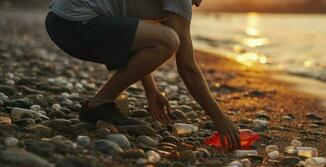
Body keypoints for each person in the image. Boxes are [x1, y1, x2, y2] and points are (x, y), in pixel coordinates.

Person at [45, 0, 240, 149]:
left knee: (163, 37)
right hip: (75, 24)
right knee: (169, 40)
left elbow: (138, 42)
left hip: (60, 22)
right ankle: (99, 104)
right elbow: (186, 66)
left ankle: (101, 102)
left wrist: (151, 92)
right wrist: (218, 118)